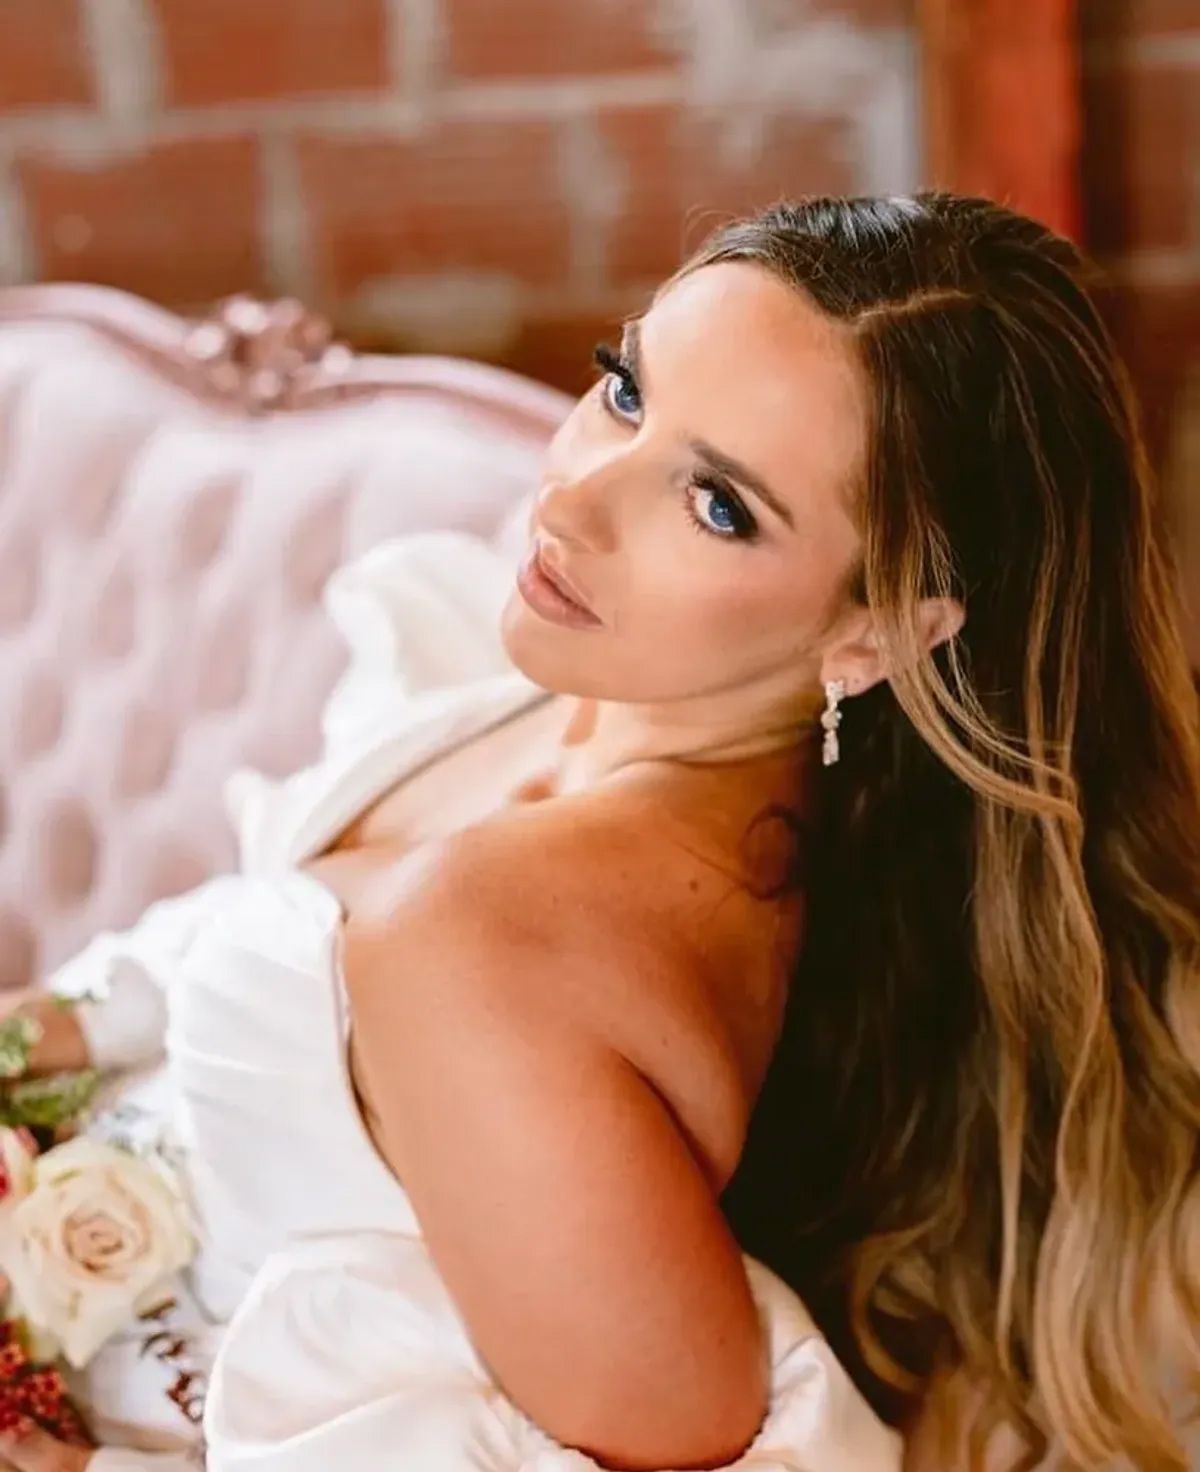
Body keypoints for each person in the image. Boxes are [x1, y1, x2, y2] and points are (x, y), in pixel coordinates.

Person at [0, 190, 1196, 1472]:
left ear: (882, 631)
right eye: (626, 391)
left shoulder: (495, 949)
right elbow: (235, 975)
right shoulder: (565, 692)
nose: (573, 499)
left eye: (718, 503)